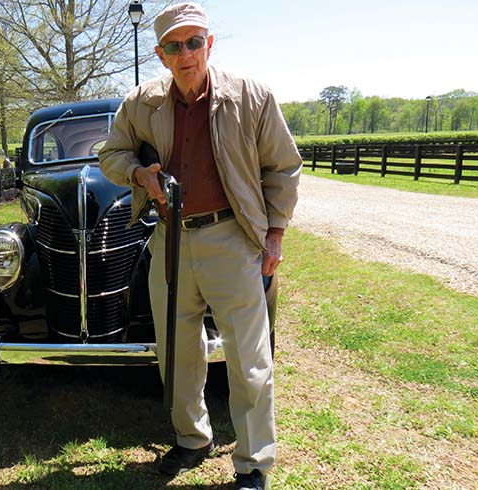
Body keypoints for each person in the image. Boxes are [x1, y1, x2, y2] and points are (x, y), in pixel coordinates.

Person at [99, 3, 301, 489]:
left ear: (209, 45)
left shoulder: (252, 97)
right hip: (170, 241)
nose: (186, 53)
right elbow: (111, 154)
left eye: (194, 42)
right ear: (161, 54)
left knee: (249, 359)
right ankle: (193, 439)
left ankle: (253, 464)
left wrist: (274, 233)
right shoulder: (141, 103)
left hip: (232, 238)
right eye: (174, 45)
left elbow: (283, 168)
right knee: (176, 352)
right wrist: (137, 173)